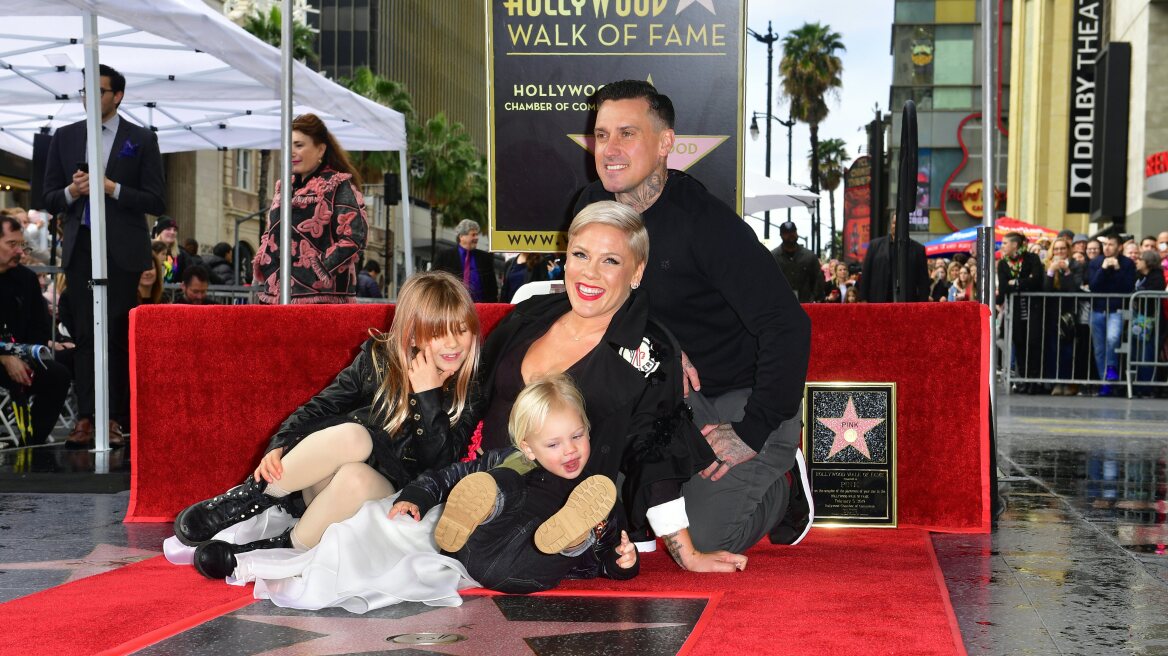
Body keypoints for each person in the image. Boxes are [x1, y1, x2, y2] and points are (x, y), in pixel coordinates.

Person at [574, 80, 813, 560]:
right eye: (601, 135)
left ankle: (784, 485)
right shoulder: (590, 209)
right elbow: (588, 305)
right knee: (599, 509)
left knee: (703, 536)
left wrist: (753, 429)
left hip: (735, 400)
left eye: (626, 133)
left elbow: (788, 325)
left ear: (665, 144)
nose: (610, 150)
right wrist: (659, 340)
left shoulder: (705, 223)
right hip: (657, 398)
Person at [478, 201, 747, 572]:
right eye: (580, 255)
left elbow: (655, 449)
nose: (590, 273)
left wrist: (686, 553)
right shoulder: (529, 316)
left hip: (563, 509)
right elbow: (472, 398)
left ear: (636, 271)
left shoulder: (648, 349)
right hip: (481, 486)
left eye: (610, 261)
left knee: (508, 561)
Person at [175, 272, 482, 578]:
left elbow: (442, 465)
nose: (453, 343)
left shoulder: (469, 391)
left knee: (356, 477)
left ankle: (283, 549)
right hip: (320, 485)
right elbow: (321, 406)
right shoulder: (378, 360)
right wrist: (279, 445)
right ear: (413, 335)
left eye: (461, 329)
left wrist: (427, 396)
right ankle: (245, 499)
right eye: (439, 332)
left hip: (388, 503)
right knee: (355, 436)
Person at [392, 374, 640, 593]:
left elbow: (606, 553)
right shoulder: (510, 459)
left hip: (531, 569)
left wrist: (622, 561)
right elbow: (450, 476)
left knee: (577, 534)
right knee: (505, 478)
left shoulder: (595, 497)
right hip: (478, 546)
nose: (570, 450)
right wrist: (418, 495)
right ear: (528, 448)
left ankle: (573, 539)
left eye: (577, 436)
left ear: (588, 431)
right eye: (554, 444)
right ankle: (490, 507)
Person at [43, 63, 164, 447]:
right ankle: (84, 417)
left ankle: (114, 418)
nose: (89, 98)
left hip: (123, 251)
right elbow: (46, 197)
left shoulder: (141, 139)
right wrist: (71, 192)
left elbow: (156, 200)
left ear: (117, 96)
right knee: (82, 334)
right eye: (85, 92)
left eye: (98, 91)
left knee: (114, 333)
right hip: (80, 248)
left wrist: (112, 188)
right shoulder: (64, 137)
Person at [253, 113, 369, 304]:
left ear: (321, 149)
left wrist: (318, 269)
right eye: (288, 146)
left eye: (299, 145)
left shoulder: (337, 184)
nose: (291, 152)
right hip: (276, 296)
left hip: (321, 300)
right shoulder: (284, 186)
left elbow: (354, 235)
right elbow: (271, 234)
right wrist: (265, 263)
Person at [0, 216, 71, 446]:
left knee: (58, 374)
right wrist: (5, 357)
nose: (20, 251)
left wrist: (23, 356)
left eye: (22, 244)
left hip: (22, 356)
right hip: (3, 357)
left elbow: (39, 329)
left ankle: (30, 443)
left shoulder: (27, 279)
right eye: (12, 244)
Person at [996, 232, 1045, 393]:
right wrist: (1024, 282)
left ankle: (1034, 381)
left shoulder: (1032, 258)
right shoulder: (1003, 264)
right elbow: (1003, 287)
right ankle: (1022, 380)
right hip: (1015, 311)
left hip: (1033, 310)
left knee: (1033, 344)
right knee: (1020, 344)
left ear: (1015, 245)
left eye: (1004, 243)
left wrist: (1016, 282)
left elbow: (1037, 280)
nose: (1002, 247)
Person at [1087, 234, 1136, 396]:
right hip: (1097, 310)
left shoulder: (1127, 263)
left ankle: (1111, 367)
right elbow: (1094, 286)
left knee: (1113, 338)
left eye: (1111, 244)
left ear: (1119, 247)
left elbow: (1128, 287)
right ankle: (1105, 383)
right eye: (1105, 244)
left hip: (1116, 310)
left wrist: (1117, 269)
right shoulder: (1095, 262)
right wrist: (1103, 269)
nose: (1107, 247)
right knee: (1099, 348)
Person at [1042, 238, 1082, 395]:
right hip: (1051, 313)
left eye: (1062, 249)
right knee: (1052, 349)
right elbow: (1045, 290)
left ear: (1068, 250)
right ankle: (1055, 383)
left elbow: (1073, 290)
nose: (1059, 252)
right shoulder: (1045, 265)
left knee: (1067, 350)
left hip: (1068, 314)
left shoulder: (1075, 266)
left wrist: (1066, 272)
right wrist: (1051, 272)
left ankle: (1065, 382)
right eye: (1056, 249)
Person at [858, 214, 930, 302]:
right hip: (878, 301)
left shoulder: (918, 249)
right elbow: (866, 274)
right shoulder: (875, 246)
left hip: (907, 302)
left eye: (901, 223)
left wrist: (922, 305)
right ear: (890, 225)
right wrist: (863, 299)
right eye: (894, 223)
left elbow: (923, 281)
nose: (897, 226)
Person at [433, 219, 499, 302]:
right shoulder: (445, 256)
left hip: (481, 308)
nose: (477, 238)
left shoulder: (485, 258)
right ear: (461, 236)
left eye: (477, 234)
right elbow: (434, 280)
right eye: (473, 235)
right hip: (453, 306)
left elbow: (492, 287)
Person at [1132, 250, 1165, 393]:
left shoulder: (1157, 277)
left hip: (1152, 320)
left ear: (1148, 262)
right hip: (1138, 318)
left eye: (1140, 259)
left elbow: (1150, 293)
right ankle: (1137, 384)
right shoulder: (1138, 276)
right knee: (1136, 352)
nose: (1137, 261)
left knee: (1147, 353)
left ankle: (1146, 386)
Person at [771, 221, 823, 303]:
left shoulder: (809, 256)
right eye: (787, 233)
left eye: (793, 232)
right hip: (781, 305)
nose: (791, 235)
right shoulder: (773, 257)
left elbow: (818, 280)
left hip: (806, 304)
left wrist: (814, 299)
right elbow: (769, 282)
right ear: (781, 235)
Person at [151, 216, 186, 284]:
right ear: (159, 232)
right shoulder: (148, 250)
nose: (172, 232)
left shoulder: (181, 255)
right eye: (168, 229)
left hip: (172, 293)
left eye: (175, 230)